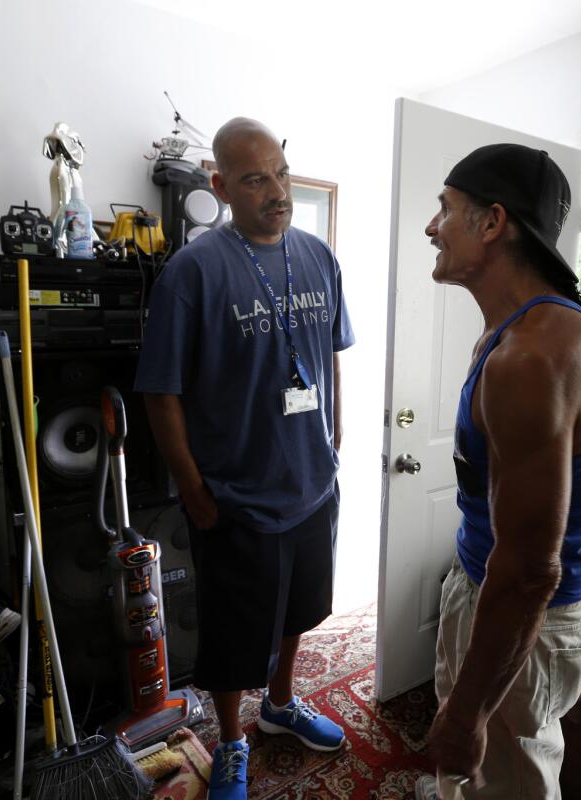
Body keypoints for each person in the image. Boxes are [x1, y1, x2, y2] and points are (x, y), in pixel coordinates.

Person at [135, 117, 355, 800]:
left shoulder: (320, 256)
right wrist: (191, 486)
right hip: (235, 493)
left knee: (300, 609)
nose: (276, 190)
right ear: (221, 184)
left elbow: (332, 358)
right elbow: (161, 393)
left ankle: (282, 706)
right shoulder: (192, 272)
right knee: (233, 635)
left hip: (312, 484)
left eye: (282, 173)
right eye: (256, 178)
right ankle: (232, 740)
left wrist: (336, 431)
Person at [417, 144, 581, 800]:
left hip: (524, 625)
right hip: (483, 588)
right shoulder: (512, 334)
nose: (431, 227)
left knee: (506, 784)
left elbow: (533, 570)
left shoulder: (534, 358)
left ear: (491, 222)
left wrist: (470, 714)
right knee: (471, 784)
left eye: (445, 210)